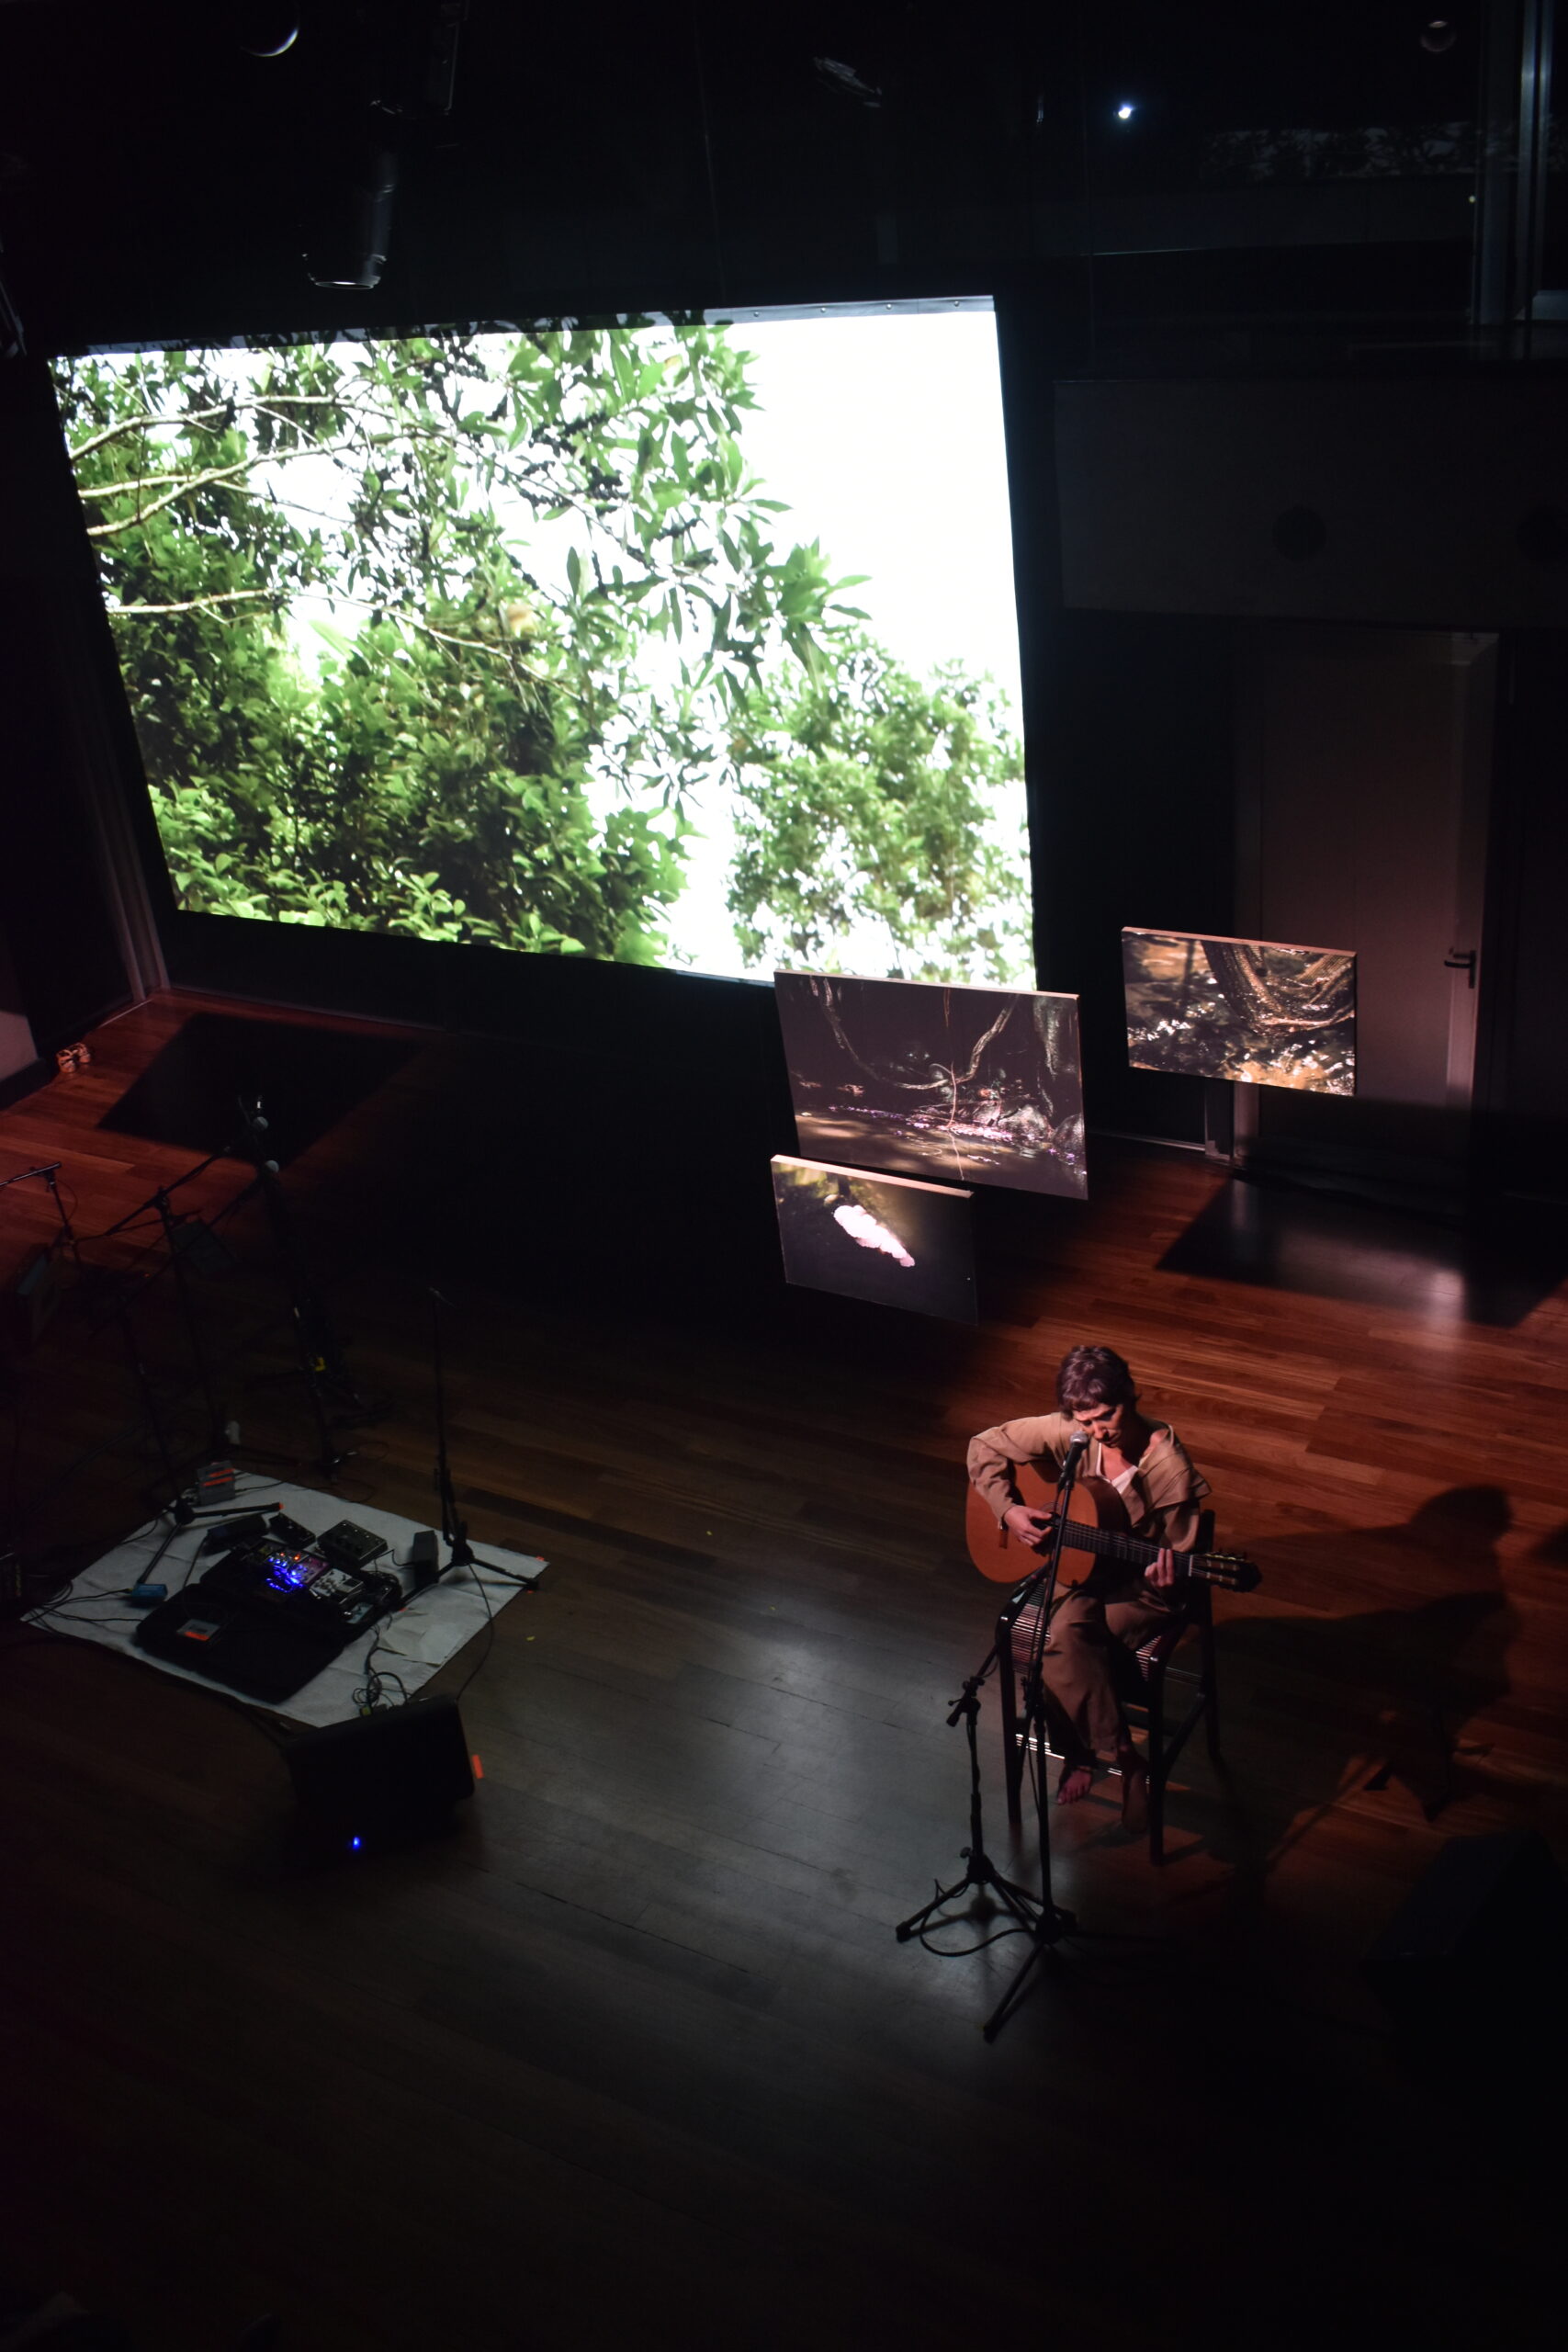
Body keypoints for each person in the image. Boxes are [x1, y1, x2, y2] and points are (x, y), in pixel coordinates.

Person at [966, 1343, 1211, 1828]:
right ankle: (1126, 1757)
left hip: (1139, 1587)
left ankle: (1082, 1754)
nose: (1099, 1431)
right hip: (1080, 1571)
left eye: (1107, 1416)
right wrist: (1008, 1510)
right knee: (1064, 1639)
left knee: (1063, 1647)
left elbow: (1180, 1567)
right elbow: (984, 1445)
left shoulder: (1170, 1469)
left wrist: (1167, 1575)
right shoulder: (1072, 1433)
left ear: (1130, 1396)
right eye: (1086, 1421)